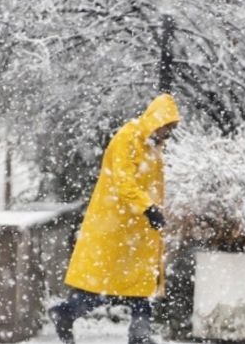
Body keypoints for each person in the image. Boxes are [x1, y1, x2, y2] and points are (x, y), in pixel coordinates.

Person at [49, 93, 180, 344]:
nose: (169, 134)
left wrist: (151, 211)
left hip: (135, 230)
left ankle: (139, 336)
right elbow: (123, 182)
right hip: (115, 228)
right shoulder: (128, 138)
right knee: (100, 288)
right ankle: (65, 314)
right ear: (157, 121)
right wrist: (148, 208)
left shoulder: (151, 146)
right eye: (168, 127)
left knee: (140, 286)